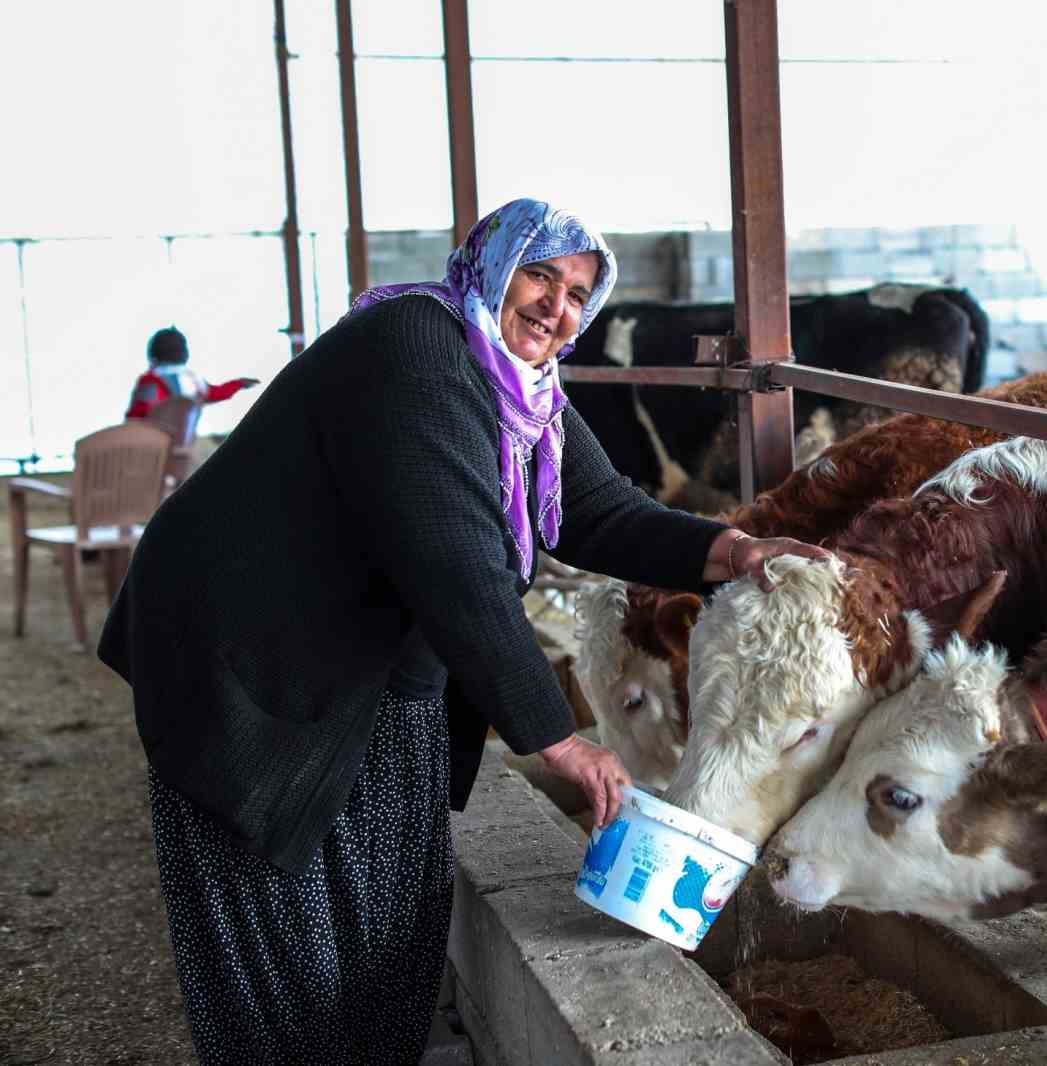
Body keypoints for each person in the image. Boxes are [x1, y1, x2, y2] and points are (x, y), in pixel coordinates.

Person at [98, 198, 828, 1066]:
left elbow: (594, 509)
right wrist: (561, 742)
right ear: (493, 264)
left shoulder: (523, 393)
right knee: (283, 938)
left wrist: (734, 549)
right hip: (250, 662)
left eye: (577, 294)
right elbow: (456, 565)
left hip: (370, 668)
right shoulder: (417, 349)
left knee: (397, 916)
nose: (556, 307)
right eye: (541, 275)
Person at [125, 326, 259, 433]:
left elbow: (138, 413)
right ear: (185, 354)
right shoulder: (194, 381)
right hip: (181, 446)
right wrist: (239, 383)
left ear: (153, 354)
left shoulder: (151, 379)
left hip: (147, 442)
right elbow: (218, 393)